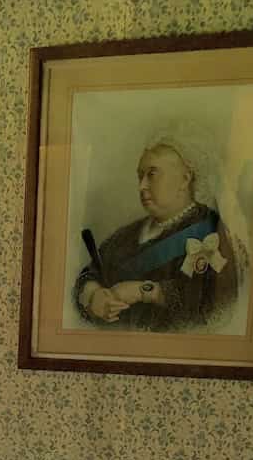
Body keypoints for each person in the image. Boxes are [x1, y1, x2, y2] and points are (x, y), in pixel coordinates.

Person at [75, 134, 241, 331]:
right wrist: (94, 295)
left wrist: (145, 291)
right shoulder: (123, 236)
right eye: (140, 176)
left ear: (184, 179)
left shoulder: (213, 232)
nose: (141, 186)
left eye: (152, 174)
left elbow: (217, 305)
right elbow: (89, 274)